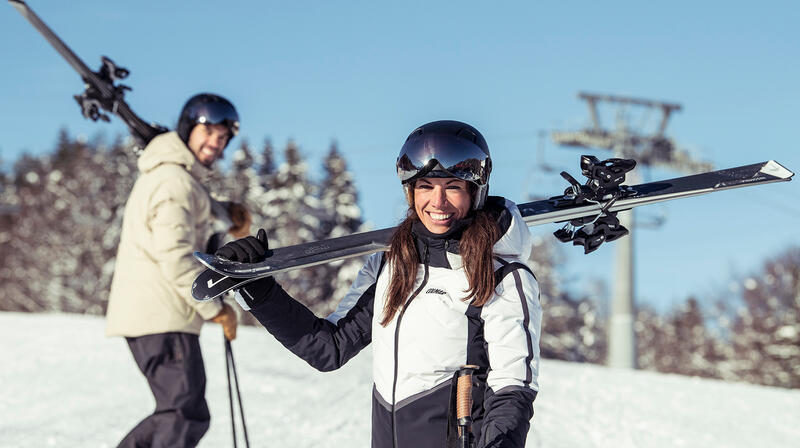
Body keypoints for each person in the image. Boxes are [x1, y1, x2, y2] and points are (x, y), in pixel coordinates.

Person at [218, 119, 542, 448]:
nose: (438, 201)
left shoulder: (503, 277)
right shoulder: (390, 266)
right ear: (410, 190)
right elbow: (328, 348)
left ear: (475, 191)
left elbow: (512, 390)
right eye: (426, 186)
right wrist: (259, 292)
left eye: (453, 186)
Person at [106, 93, 252, 448]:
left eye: (223, 138)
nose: (216, 143)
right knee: (183, 413)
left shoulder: (180, 179)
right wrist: (214, 308)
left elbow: (194, 227)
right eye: (209, 132)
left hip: (160, 316)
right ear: (188, 129)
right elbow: (175, 257)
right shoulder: (175, 181)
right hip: (162, 316)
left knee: (182, 411)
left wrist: (225, 215)